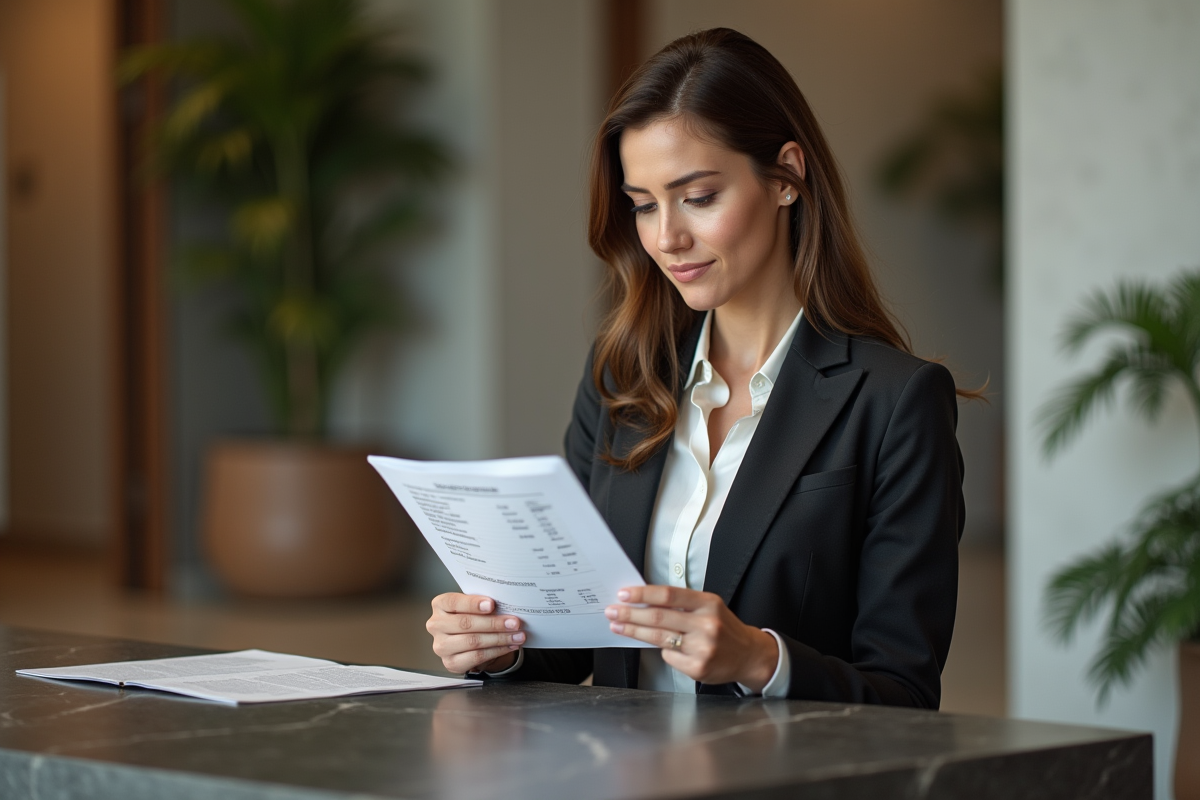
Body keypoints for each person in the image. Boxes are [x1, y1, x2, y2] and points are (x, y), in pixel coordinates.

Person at [425, 28, 967, 707]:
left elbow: (904, 694)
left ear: (786, 178)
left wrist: (761, 659)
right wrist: (500, 647)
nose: (666, 238)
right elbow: (576, 649)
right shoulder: (623, 375)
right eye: (644, 206)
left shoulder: (895, 402)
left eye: (699, 196)